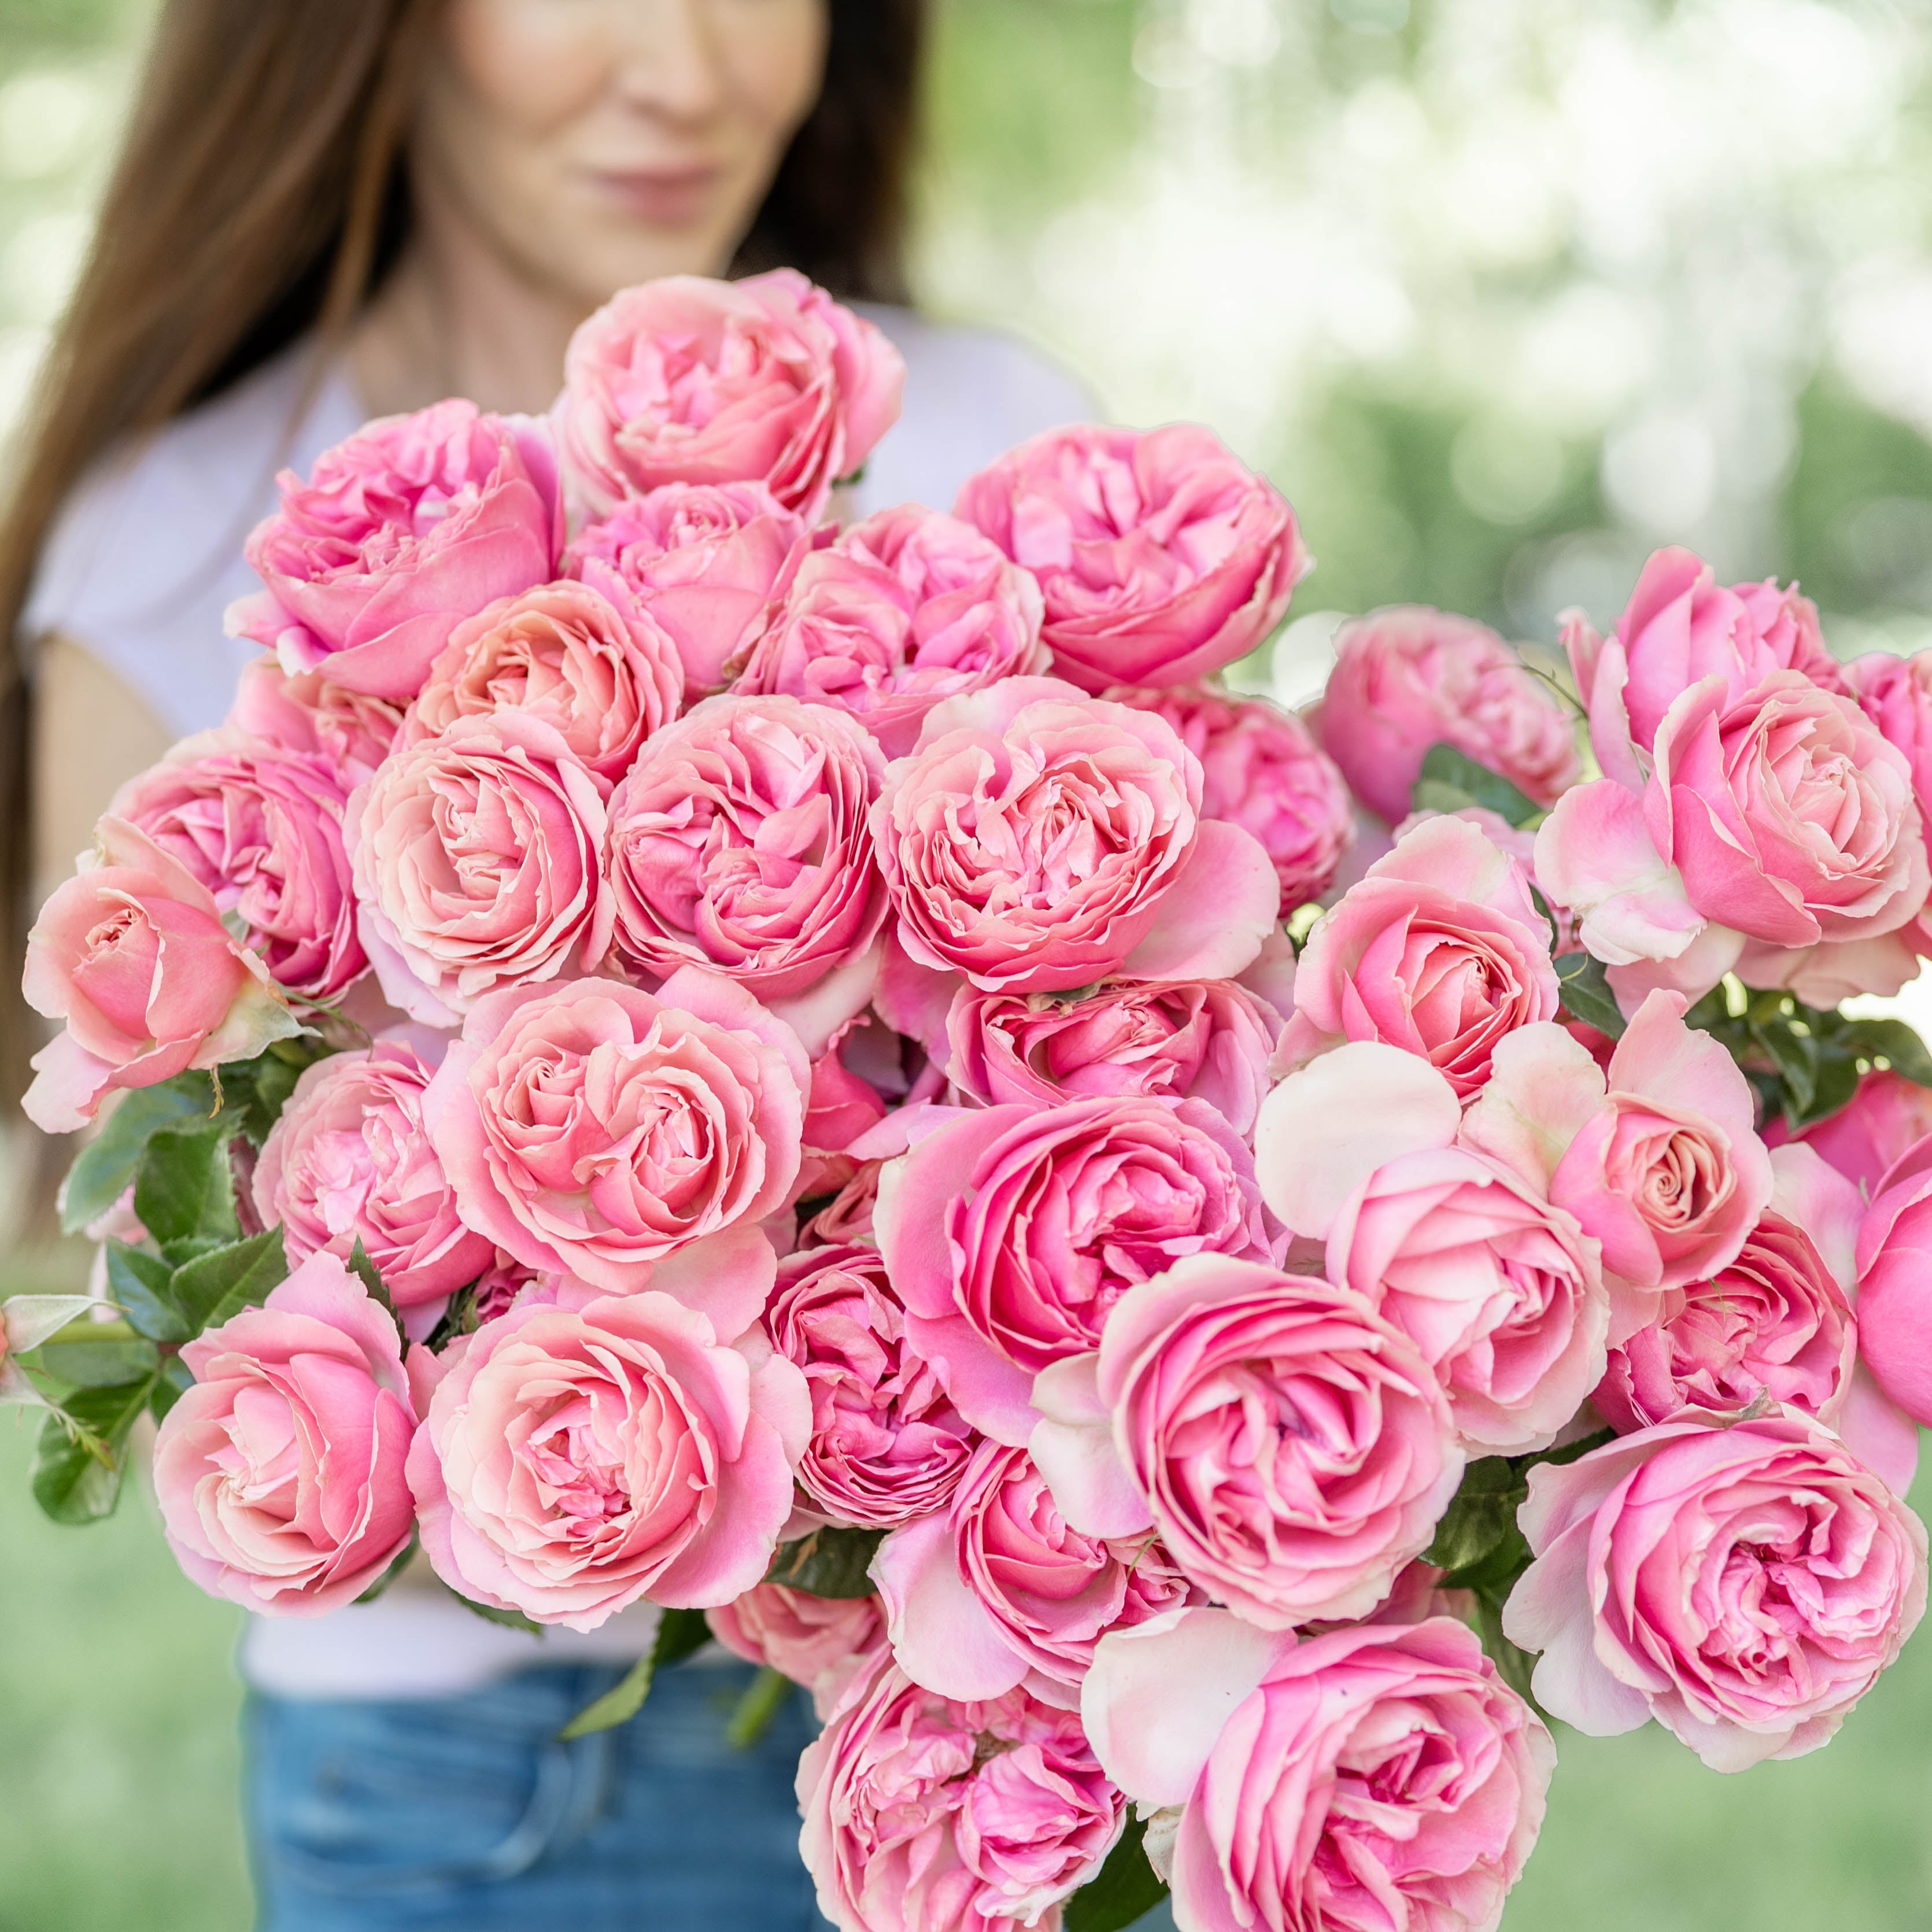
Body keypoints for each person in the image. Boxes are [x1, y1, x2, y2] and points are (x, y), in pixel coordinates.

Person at [0, 3, 1091, 1926]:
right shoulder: (171, 549)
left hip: (1024, 1759)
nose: (685, 71)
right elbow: (162, 1298)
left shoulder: (1004, 448)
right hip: (500, 1782)